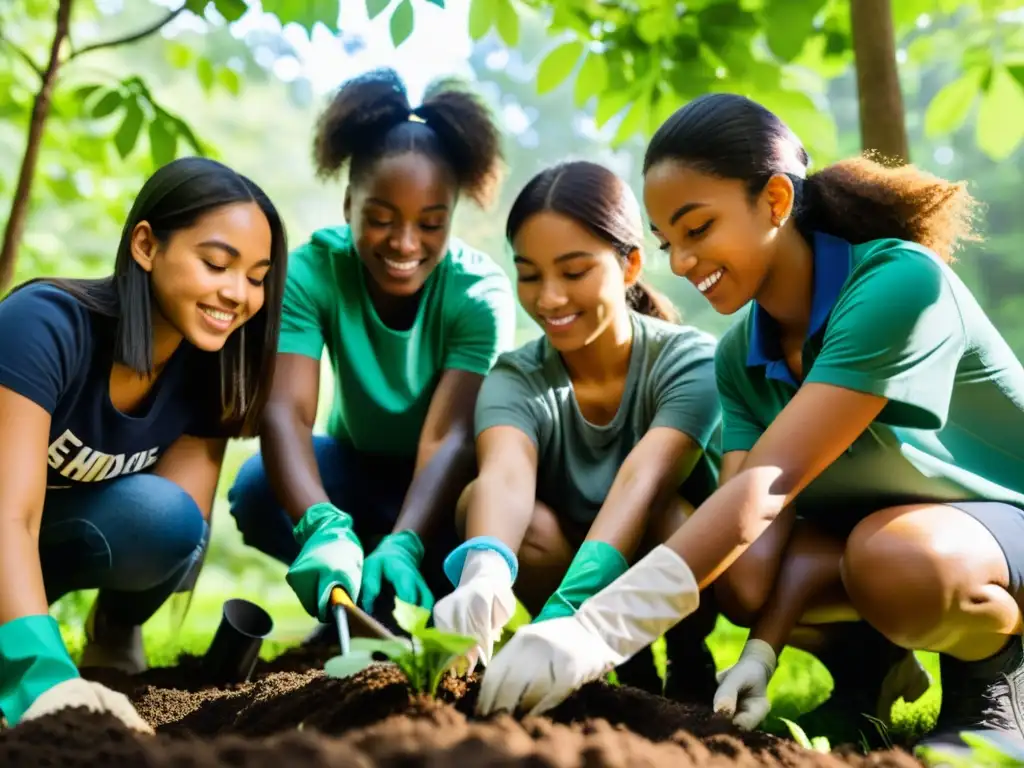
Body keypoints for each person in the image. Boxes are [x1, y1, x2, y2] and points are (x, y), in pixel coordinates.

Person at [475, 93, 1024, 758]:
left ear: (774, 202)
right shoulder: (740, 355)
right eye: (667, 241)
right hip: (888, 538)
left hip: (994, 527)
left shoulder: (898, 285)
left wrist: (595, 631)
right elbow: (751, 535)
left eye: (697, 228)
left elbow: (768, 480)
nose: (680, 262)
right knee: (742, 575)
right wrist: (762, 649)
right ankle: (867, 672)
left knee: (896, 560)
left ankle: (996, 682)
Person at [0, 156, 287, 731]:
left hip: (42, 556)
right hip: (9, 530)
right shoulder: (45, 325)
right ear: (146, 246)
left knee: (170, 520)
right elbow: (10, 513)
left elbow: (174, 531)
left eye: (256, 277)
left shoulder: (209, 367)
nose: (237, 294)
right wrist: (40, 674)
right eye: (216, 264)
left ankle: (110, 631)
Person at [227, 67, 516, 639]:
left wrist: (406, 540)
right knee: (258, 487)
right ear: (348, 205)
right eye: (380, 219)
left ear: (452, 217)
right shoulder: (313, 272)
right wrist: (321, 523)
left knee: (484, 510)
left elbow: (451, 438)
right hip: (352, 475)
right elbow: (286, 411)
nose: (405, 244)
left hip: (444, 485)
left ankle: (425, 605)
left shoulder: (478, 296)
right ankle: (354, 602)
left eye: (431, 224)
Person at [432, 160, 722, 700]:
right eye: (529, 274)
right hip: (569, 550)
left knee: (673, 515)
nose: (549, 299)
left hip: (666, 556)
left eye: (573, 271)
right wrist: (485, 569)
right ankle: (627, 674)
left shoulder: (690, 360)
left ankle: (687, 653)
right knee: (486, 505)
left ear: (630, 265)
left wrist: (568, 615)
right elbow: (504, 477)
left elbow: (644, 485)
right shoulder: (517, 376)